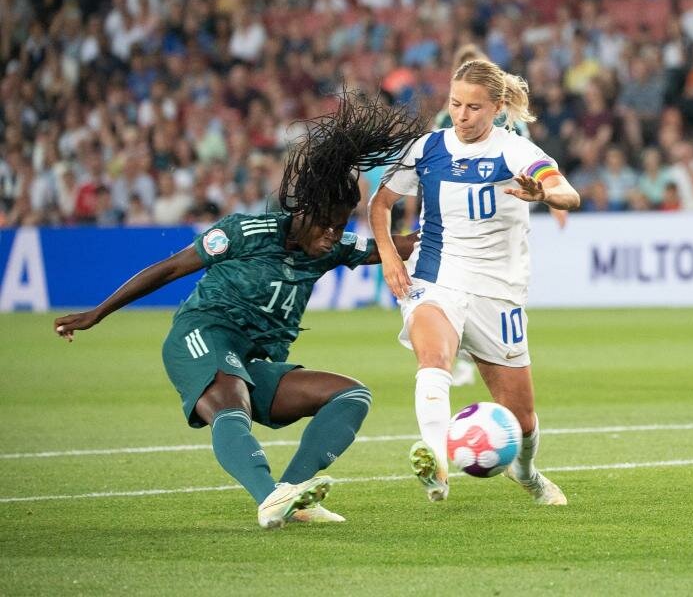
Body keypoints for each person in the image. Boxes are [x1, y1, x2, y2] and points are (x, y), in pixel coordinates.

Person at [54, 94, 425, 529]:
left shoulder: (332, 248)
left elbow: (399, 246)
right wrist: (98, 313)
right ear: (303, 210)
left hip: (251, 361)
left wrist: (457, 226)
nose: (333, 234)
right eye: (326, 223)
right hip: (202, 335)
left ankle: (291, 495)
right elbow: (170, 268)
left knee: (351, 396)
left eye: (341, 225)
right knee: (231, 402)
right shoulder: (245, 232)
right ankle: (268, 498)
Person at [369, 59, 579, 505]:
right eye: (455, 104)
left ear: (497, 108)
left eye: (474, 107)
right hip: (436, 276)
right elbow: (381, 203)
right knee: (434, 358)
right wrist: (388, 255)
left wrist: (544, 193)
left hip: (498, 293)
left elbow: (569, 193)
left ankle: (526, 473)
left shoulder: (514, 151)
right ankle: (436, 463)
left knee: (522, 420)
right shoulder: (427, 148)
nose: (461, 116)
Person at [433, 46, 567, 388]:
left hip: (503, 217)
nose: (463, 112)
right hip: (456, 220)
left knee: (492, 293)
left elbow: (537, 167)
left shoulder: (512, 128)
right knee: (447, 295)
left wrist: (552, 200)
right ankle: (452, 360)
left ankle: (485, 351)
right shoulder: (444, 121)